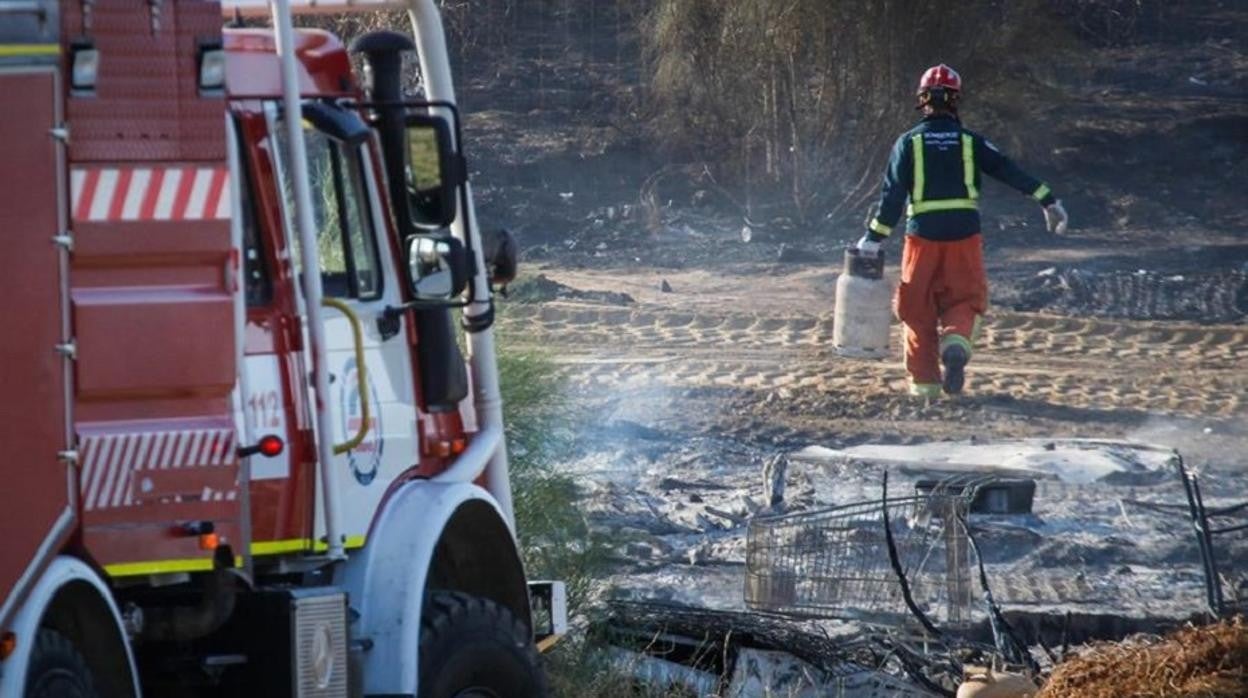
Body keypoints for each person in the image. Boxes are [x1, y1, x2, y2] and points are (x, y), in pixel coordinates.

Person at [857, 64, 1068, 398]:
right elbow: (1007, 170)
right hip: (964, 238)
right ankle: (955, 345)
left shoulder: (907, 143)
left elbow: (892, 197)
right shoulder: (971, 142)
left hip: (922, 238)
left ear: (922, 100)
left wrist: (873, 238)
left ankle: (925, 389)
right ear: (955, 100)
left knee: (917, 309)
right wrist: (1047, 199)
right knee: (965, 301)